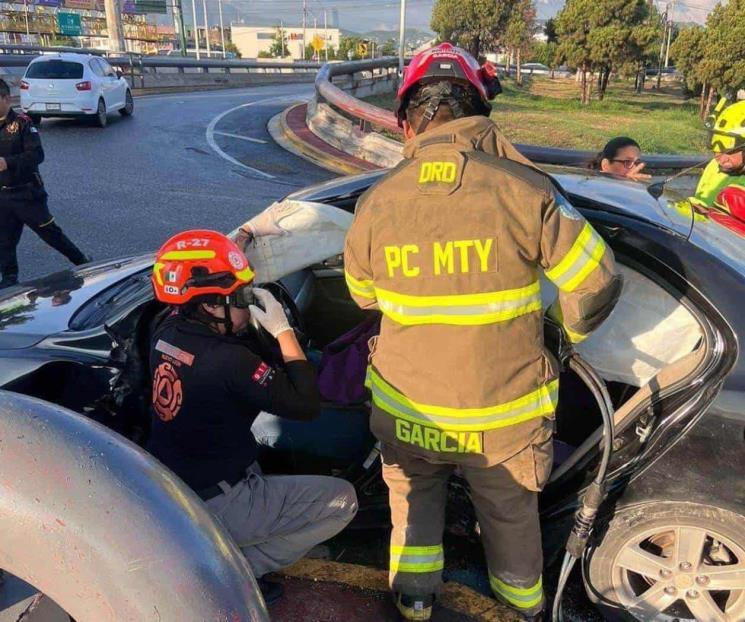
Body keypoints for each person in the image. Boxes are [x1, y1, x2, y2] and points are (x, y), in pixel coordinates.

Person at [343, 43, 622, 622]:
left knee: (413, 511)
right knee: (509, 521)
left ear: (405, 120)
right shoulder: (528, 190)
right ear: (480, 110)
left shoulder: (374, 203)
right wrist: (562, 334)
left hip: (410, 411)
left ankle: (415, 605)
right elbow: (595, 283)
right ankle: (520, 612)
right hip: (505, 418)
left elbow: (362, 296)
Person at [147, 229, 357, 604]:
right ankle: (233, 573)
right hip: (219, 499)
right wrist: (284, 332)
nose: (250, 304)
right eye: (242, 296)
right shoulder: (230, 362)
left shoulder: (164, 331)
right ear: (211, 306)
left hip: (173, 483)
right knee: (343, 501)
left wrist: (237, 252)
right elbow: (305, 404)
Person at [0, 78, 89, 288]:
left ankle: (83, 263)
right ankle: (9, 280)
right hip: (2, 196)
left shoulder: (22, 123)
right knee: (4, 240)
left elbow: (37, 155)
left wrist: (8, 163)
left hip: (27, 194)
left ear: (6, 98)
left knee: (51, 234)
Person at [691, 98, 745, 219]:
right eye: (716, 148)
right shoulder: (715, 166)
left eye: (729, 150)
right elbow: (701, 201)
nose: (720, 158)